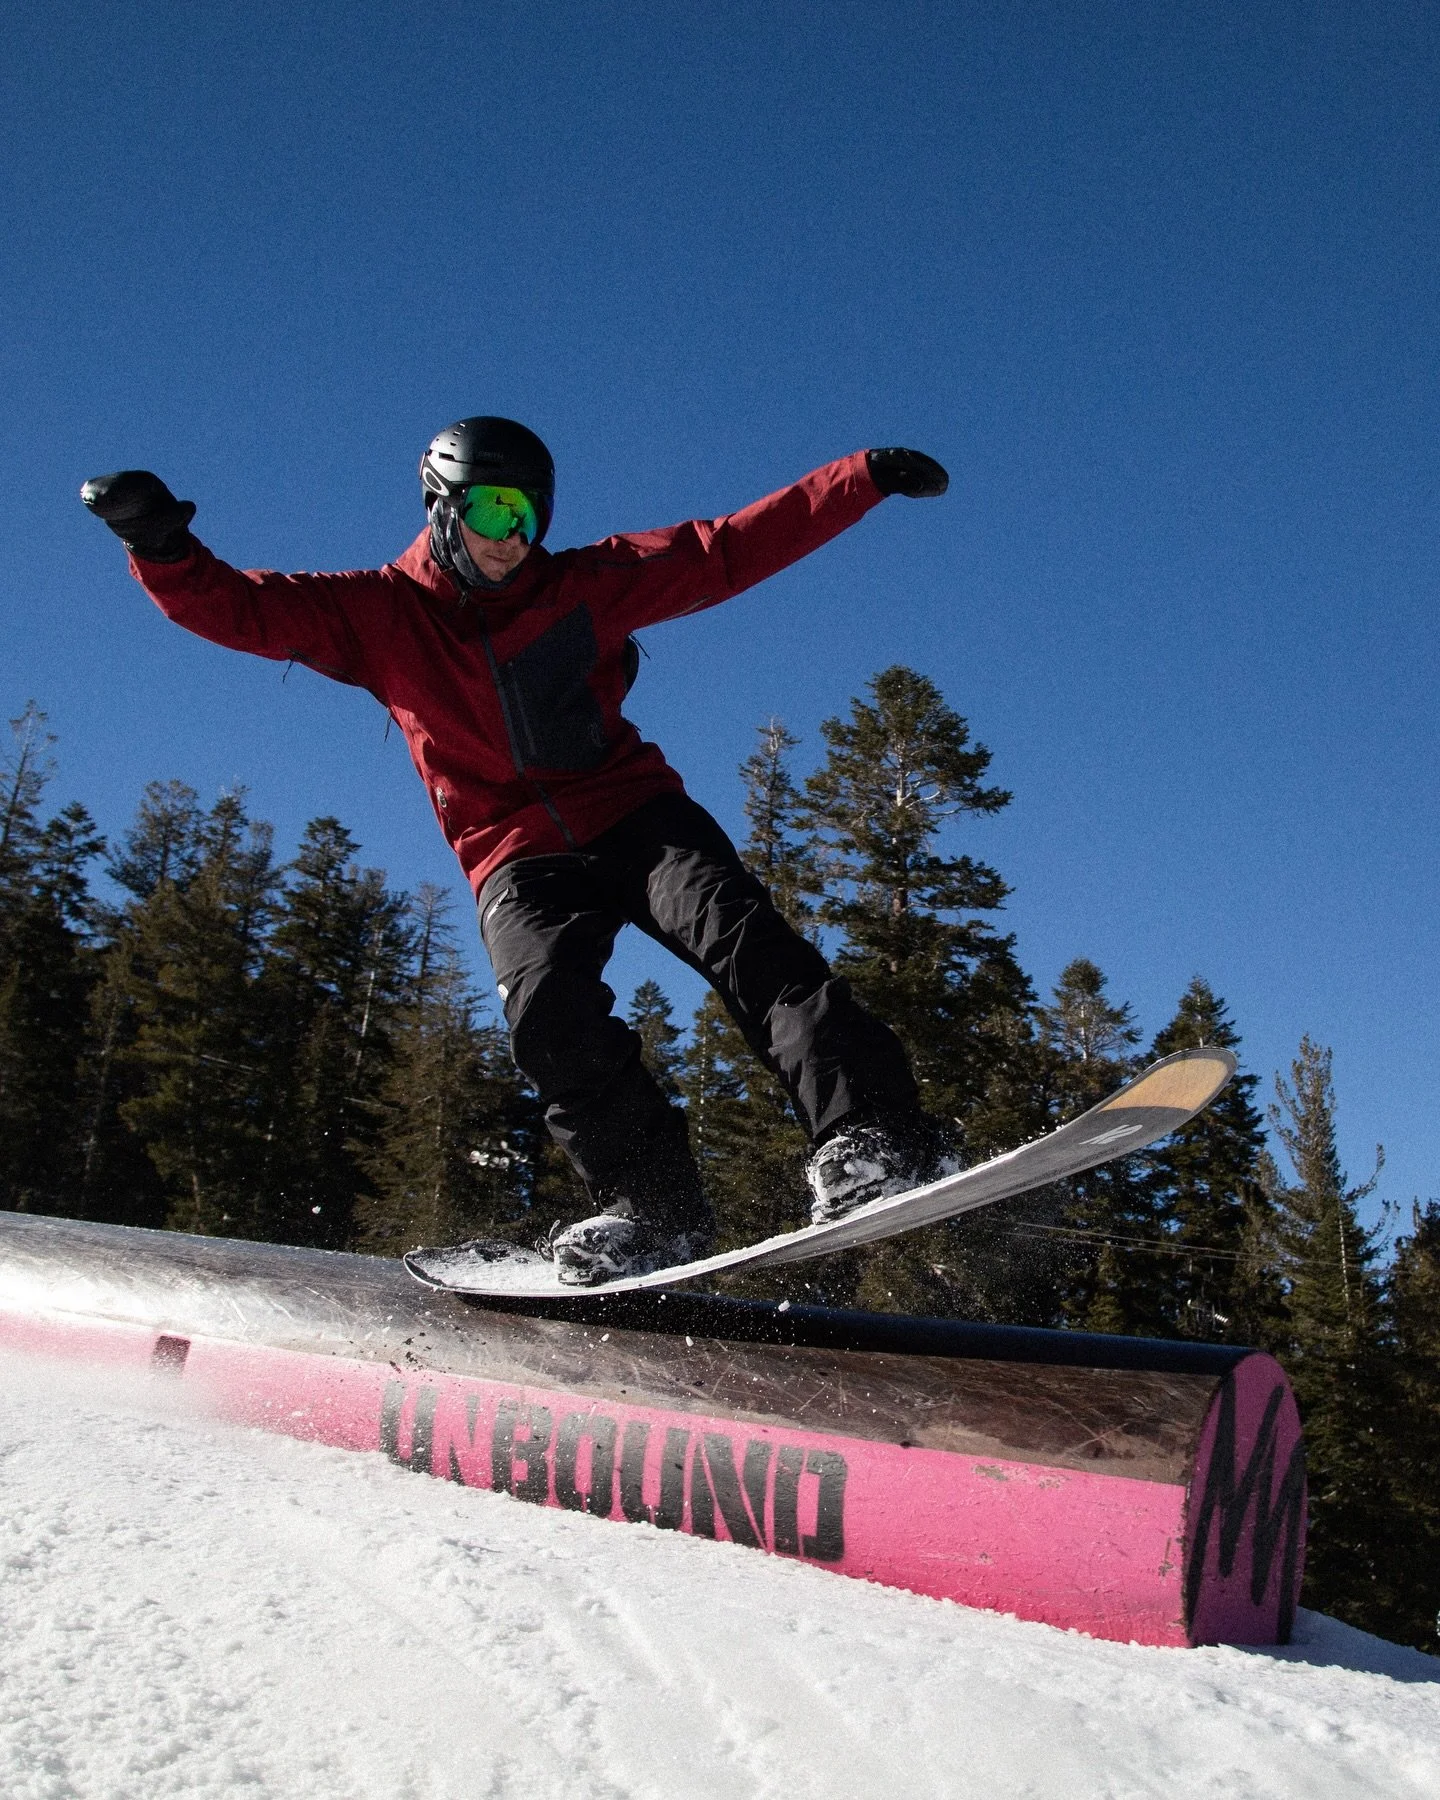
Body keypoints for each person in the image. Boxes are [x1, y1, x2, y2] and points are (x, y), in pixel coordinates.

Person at [81, 420, 954, 1284]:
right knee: (547, 1021)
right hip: (512, 852)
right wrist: (160, 547)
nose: (513, 538)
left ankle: (876, 1136)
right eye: (494, 512)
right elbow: (243, 607)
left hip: (635, 814)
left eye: (530, 516)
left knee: (746, 942)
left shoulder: (583, 584)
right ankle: (657, 1212)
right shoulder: (377, 612)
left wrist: (860, 477)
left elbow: (725, 551)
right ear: (442, 506)